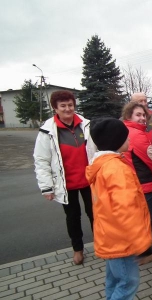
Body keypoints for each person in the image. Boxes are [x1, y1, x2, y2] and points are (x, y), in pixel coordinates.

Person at [86, 118, 152, 300]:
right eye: (126, 137)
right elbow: (126, 210)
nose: (129, 140)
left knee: (114, 281)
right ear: (115, 141)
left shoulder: (103, 164)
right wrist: (141, 243)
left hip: (110, 235)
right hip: (121, 240)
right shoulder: (116, 169)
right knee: (128, 282)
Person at [33, 90, 95, 265]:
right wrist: (47, 187)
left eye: (70, 105)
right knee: (73, 218)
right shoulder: (47, 131)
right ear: (55, 108)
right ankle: (78, 249)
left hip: (89, 181)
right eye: (63, 106)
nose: (68, 109)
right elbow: (41, 160)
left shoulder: (86, 125)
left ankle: (101, 244)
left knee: (95, 214)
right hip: (66, 183)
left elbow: (96, 151)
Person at [121, 102, 152, 272]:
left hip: (135, 185)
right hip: (148, 185)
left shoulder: (125, 131)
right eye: (138, 115)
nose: (142, 118)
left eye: (144, 115)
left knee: (147, 221)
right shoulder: (136, 134)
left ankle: (148, 253)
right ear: (129, 116)